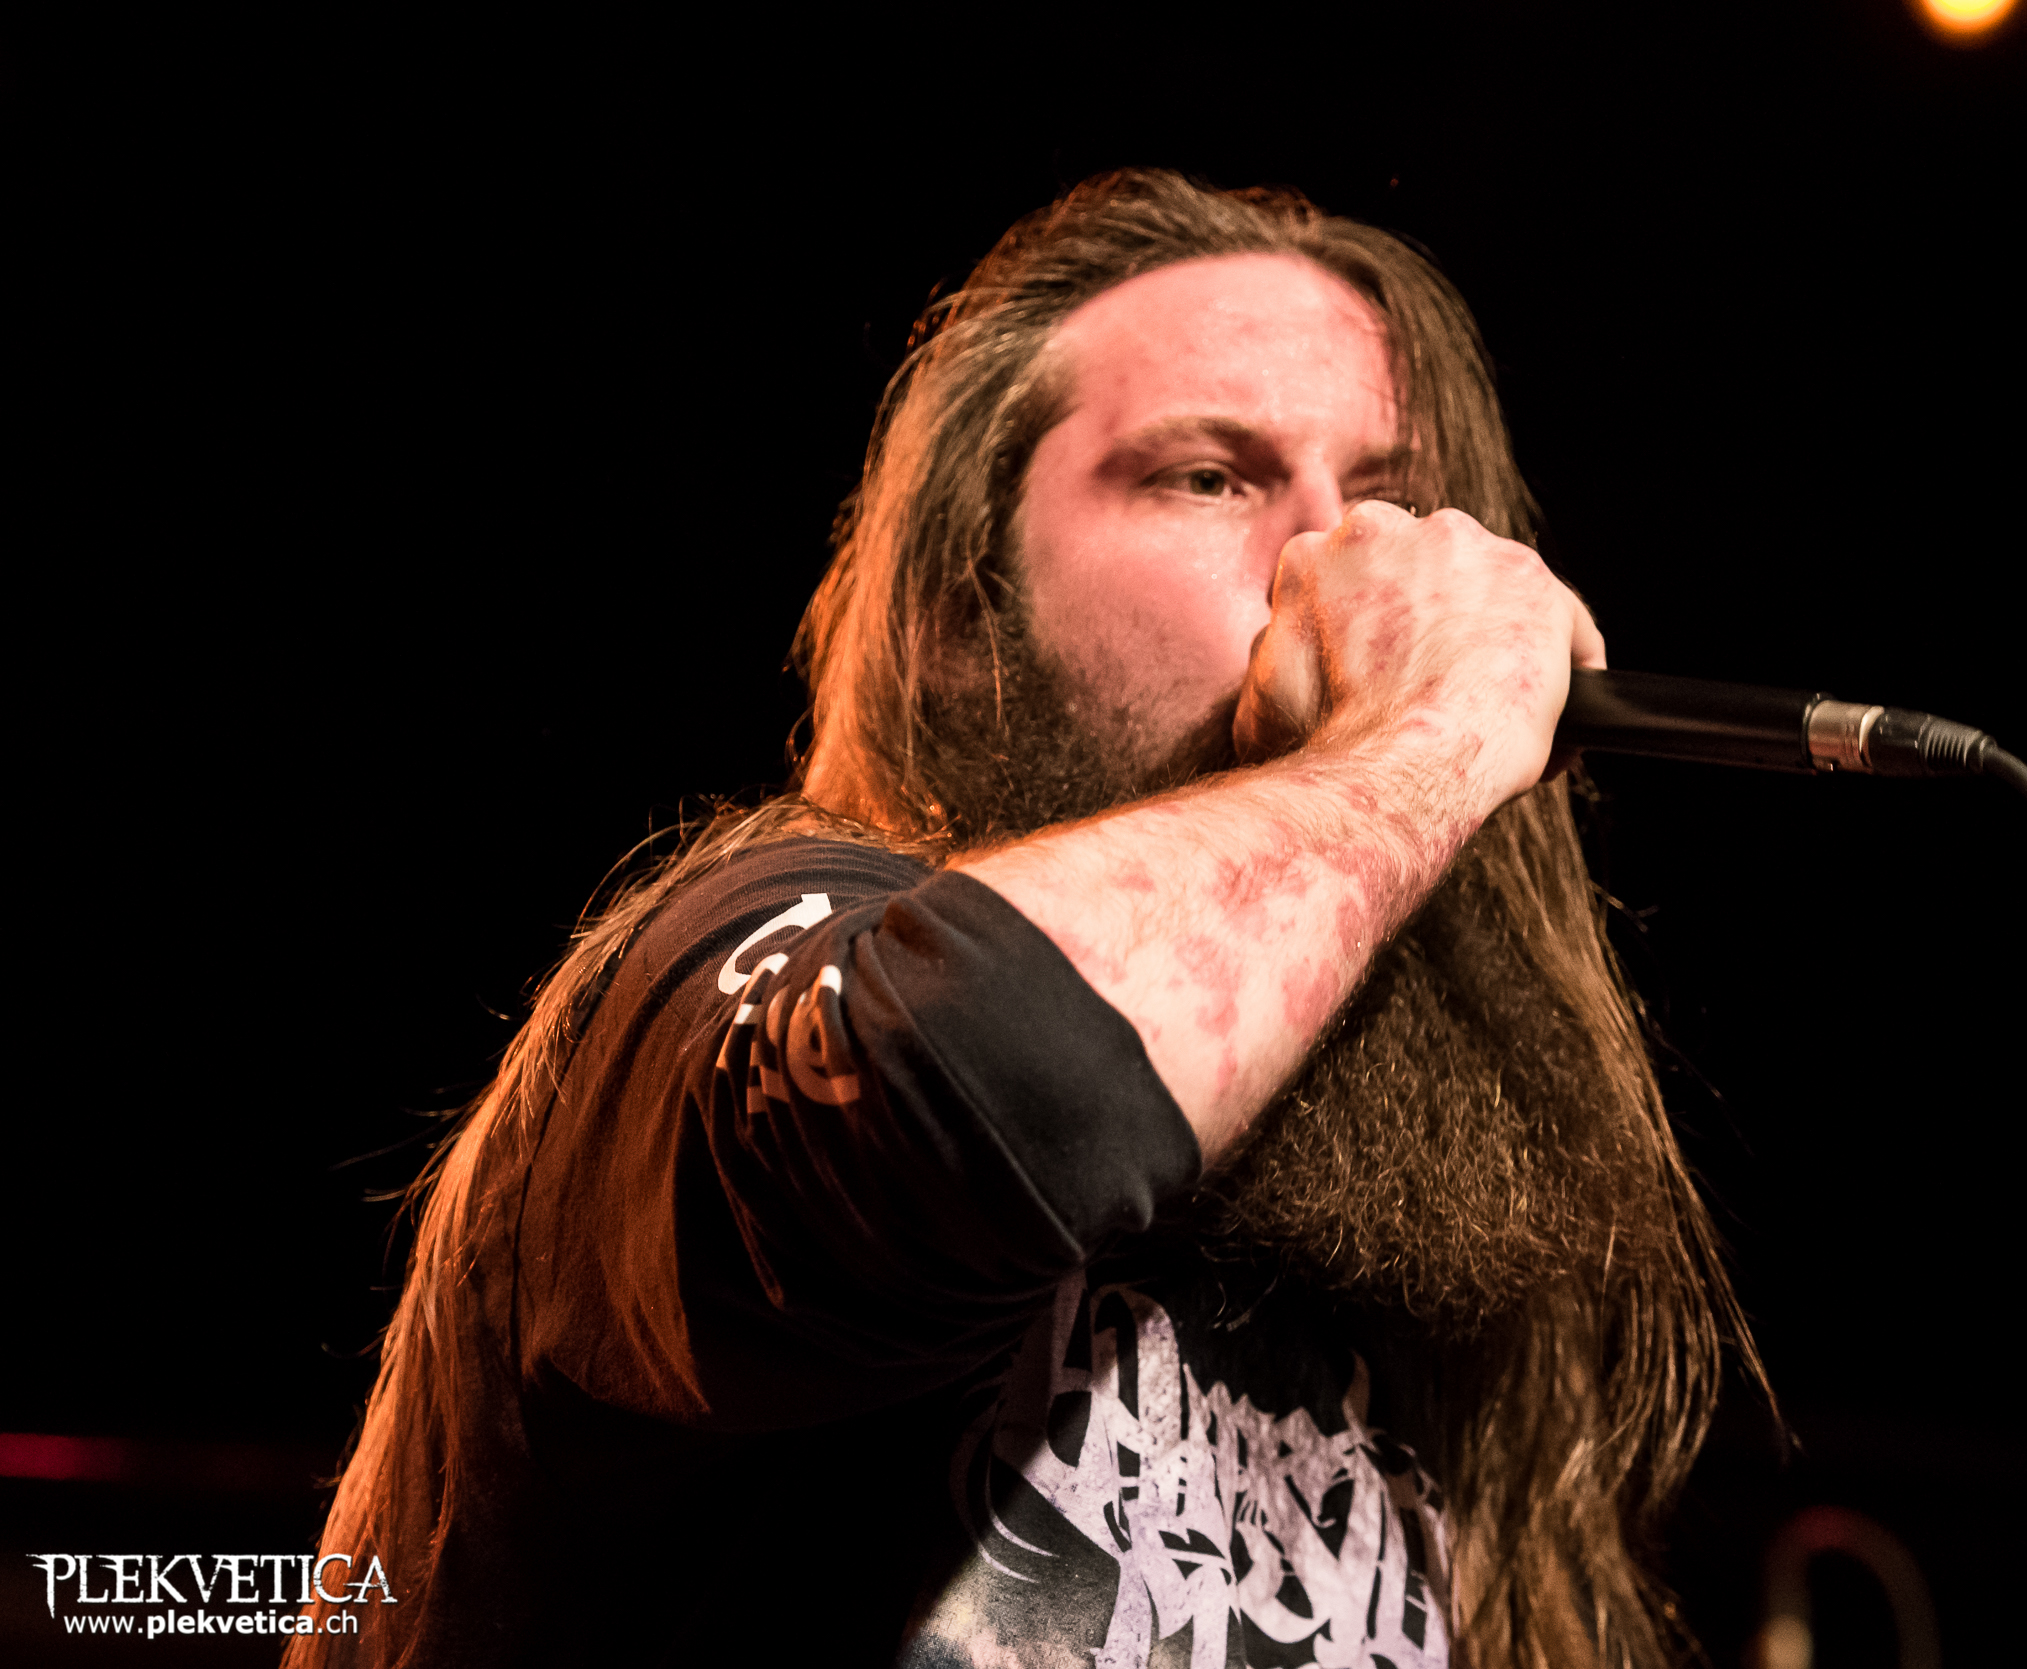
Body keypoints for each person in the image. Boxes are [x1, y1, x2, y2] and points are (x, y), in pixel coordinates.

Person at [298, 169, 1754, 1669]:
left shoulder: (1417, 1292)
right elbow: (975, 1081)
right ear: (959, 615)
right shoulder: (744, 941)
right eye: (1209, 477)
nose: (1345, 561)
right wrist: (1423, 745)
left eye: (1396, 499)